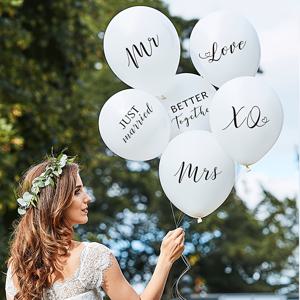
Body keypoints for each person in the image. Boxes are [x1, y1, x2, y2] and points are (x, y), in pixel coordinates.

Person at [5, 153, 185, 299]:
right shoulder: (93, 256)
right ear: (55, 203)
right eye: (77, 191)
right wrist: (165, 259)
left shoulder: (18, 266)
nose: (87, 198)